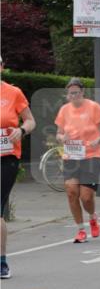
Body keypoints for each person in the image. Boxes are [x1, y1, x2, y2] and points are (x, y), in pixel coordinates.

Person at [55, 78, 100, 243]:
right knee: (72, 192)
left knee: (86, 197)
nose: (73, 96)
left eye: (76, 93)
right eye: (70, 93)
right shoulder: (64, 110)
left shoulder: (93, 107)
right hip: (71, 155)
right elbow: (58, 134)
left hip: (91, 155)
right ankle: (80, 229)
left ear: (82, 93)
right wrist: (62, 137)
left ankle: (93, 217)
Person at [0, 58, 35, 277]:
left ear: (2, 67)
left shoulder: (13, 92)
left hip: (6, 158)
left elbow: (30, 121)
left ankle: (2, 261)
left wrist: (21, 131)